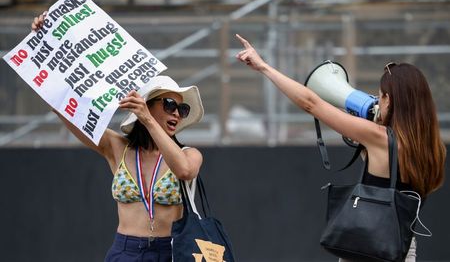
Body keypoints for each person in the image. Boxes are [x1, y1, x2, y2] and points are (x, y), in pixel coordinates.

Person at [235, 34, 446, 261]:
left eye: (381, 96)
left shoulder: (379, 137)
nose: (377, 101)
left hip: (368, 244)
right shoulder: (434, 148)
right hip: (403, 248)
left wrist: (264, 67)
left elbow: (311, 103)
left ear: (390, 100)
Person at [32, 14, 205, 262]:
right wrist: (45, 40)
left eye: (182, 109)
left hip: (172, 251)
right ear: (148, 104)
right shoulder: (117, 147)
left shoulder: (190, 154)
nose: (177, 113)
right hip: (125, 251)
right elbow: (62, 106)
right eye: (169, 104)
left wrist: (146, 118)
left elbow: (185, 171)